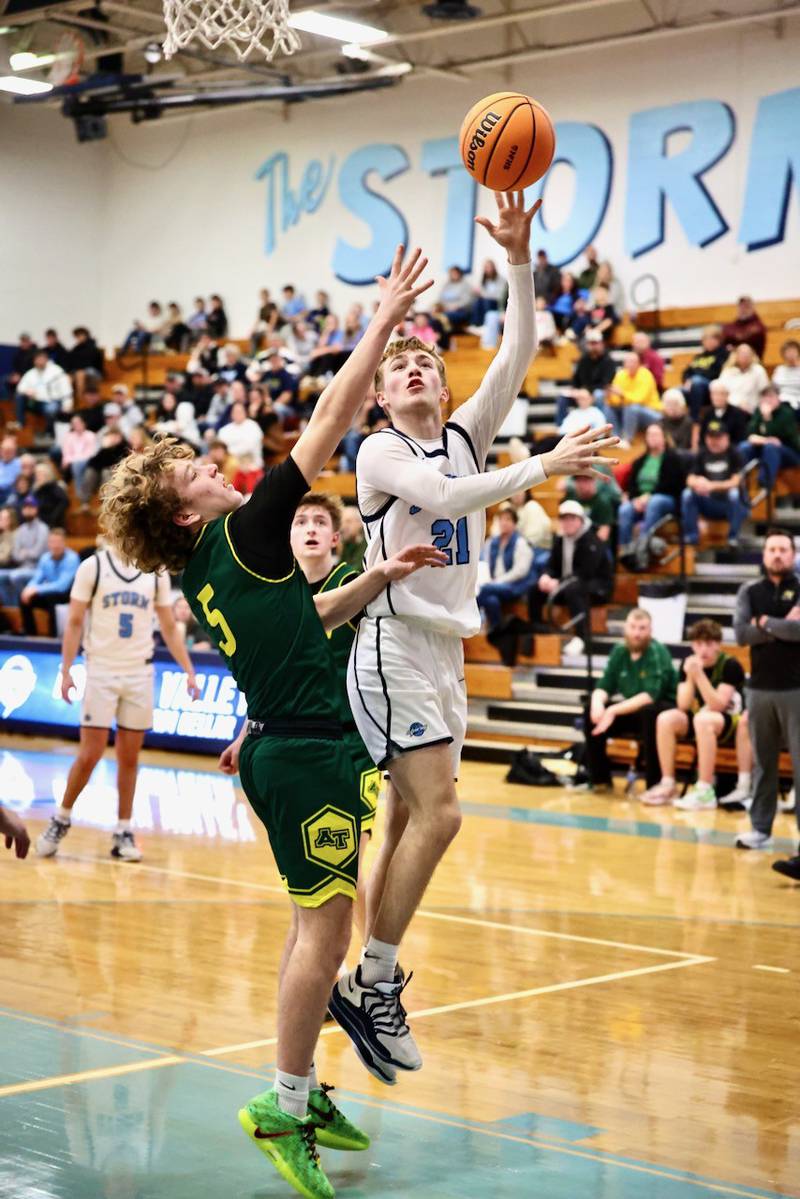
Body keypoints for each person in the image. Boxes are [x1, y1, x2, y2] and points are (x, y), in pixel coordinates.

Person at [99, 246, 440, 1199]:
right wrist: (382, 320)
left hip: (291, 745)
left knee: (314, 930)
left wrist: (371, 577)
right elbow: (333, 417)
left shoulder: (215, 567)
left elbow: (306, 622)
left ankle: (299, 1088)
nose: (206, 463)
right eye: (188, 468)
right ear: (178, 509)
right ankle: (283, 1106)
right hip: (302, 754)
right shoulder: (245, 535)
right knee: (325, 940)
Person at [329, 193, 618, 1087]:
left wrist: (521, 260)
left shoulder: (464, 430)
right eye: (400, 364)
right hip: (390, 641)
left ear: (444, 387)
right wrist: (543, 465)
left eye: (425, 362)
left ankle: (359, 981)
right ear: (380, 391)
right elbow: (453, 500)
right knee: (444, 814)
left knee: (409, 822)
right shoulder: (380, 453)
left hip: (445, 650)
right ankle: (374, 982)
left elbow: (520, 349)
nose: (414, 368)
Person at [36, 546, 200, 863]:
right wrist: (66, 670)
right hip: (101, 671)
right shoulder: (93, 567)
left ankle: (123, 830)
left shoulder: (156, 572)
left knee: (129, 757)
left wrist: (189, 671)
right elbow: (73, 622)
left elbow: (168, 626)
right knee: (90, 754)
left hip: (139, 672)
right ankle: (61, 817)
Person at [287, 492, 384, 937]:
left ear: (335, 537)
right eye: (300, 521)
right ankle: (330, 971)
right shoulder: (279, 594)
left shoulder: (353, 581)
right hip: (301, 746)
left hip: (353, 744)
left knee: (350, 864)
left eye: (319, 522)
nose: (309, 528)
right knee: (312, 878)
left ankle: (373, 969)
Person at [733, 528, 800, 878]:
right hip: (758, 690)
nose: (777, 554)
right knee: (763, 764)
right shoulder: (750, 591)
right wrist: (780, 625)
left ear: (792, 554)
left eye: (783, 549)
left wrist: (764, 624)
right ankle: (760, 829)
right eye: (772, 548)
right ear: (764, 554)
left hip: (796, 690)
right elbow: (741, 634)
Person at [641, 619, 746, 809]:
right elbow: (683, 704)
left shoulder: (730, 665)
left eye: (709, 643)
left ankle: (704, 789)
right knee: (666, 718)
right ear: (692, 645)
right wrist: (690, 676)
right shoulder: (688, 664)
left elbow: (718, 705)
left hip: (731, 721)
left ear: (718, 645)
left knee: (703, 719)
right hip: (700, 718)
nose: (703, 649)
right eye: (698, 644)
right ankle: (668, 783)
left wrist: (699, 675)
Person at [583, 608, 678, 792]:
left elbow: (650, 696)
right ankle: (599, 780)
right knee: (590, 712)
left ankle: (655, 784)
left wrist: (612, 710)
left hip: (662, 710)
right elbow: (605, 684)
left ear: (650, 631)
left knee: (650, 713)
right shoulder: (619, 651)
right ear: (625, 628)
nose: (637, 633)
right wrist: (597, 703)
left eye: (642, 628)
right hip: (633, 712)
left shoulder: (657, 652)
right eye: (633, 627)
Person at [528, 499, 612, 656]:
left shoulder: (592, 541)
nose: (568, 523)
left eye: (572, 518)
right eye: (564, 519)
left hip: (596, 587)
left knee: (575, 589)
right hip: (567, 586)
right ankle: (538, 629)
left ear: (580, 520)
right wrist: (546, 576)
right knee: (535, 588)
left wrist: (558, 583)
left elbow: (585, 573)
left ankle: (582, 637)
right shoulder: (560, 540)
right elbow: (552, 565)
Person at [616, 423, 685, 554]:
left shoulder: (673, 459)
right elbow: (632, 485)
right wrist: (635, 499)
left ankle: (642, 548)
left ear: (664, 438)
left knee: (655, 502)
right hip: (641, 500)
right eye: (649, 435)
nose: (652, 438)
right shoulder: (640, 461)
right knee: (625, 509)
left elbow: (673, 485)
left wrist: (649, 497)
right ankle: (625, 551)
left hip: (665, 499)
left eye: (655, 434)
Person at [681, 422, 748, 547]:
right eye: (711, 437)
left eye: (718, 437)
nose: (714, 441)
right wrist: (698, 483)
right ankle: (691, 537)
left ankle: (733, 537)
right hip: (708, 502)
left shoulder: (735, 454)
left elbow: (735, 482)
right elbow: (689, 479)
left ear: (726, 438)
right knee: (687, 493)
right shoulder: (701, 454)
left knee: (734, 493)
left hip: (728, 504)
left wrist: (711, 486)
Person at [477, 503, 536, 632]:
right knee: (491, 600)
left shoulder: (521, 543)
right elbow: (483, 563)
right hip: (493, 585)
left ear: (515, 523)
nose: (504, 523)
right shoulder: (491, 542)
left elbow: (520, 572)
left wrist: (498, 582)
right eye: (502, 519)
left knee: (484, 590)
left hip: (515, 585)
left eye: (508, 519)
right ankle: (498, 631)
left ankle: (472, 617)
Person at [737, 384, 800, 491]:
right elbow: (751, 433)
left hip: (790, 452)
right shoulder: (759, 411)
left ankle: (764, 485)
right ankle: (739, 479)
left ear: (778, 398)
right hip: (764, 448)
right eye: (765, 397)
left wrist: (767, 418)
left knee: (770, 448)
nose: (767, 400)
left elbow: (777, 438)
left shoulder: (786, 413)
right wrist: (764, 440)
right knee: (744, 446)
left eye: (771, 397)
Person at [19, 527, 79, 636]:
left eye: (58, 542)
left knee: (52, 599)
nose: (55, 545)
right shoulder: (45, 558)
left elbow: (62, 586)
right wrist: (28, 588)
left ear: (64, 543)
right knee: (24, 598)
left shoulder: (72, 558)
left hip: (67, 594)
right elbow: (37, 578)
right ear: (48, 544)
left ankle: (53, 637)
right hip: (49, 592)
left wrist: (36, 589)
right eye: (52, 542)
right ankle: (30, 635)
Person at [555, 329, 616, 426]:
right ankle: (561, 427)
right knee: (563, 397)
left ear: (601, 344)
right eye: (591, 343)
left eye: (595, 343)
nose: (593, 346)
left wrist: (586, 392)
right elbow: (576, 379)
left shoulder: (609, 361)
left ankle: (601, 426)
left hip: (596, 392)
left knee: (599, 395)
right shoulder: (583, 360)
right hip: (582, 392)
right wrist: (575, 390)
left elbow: (605, 383)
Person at [0, 496, 49, 606]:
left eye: (31, 507)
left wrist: (24, 552)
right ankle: (12, 607)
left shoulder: (43, 528)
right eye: (26, 508)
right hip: (22, 567)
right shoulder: (21, 530)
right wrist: (26, 553)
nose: (28, 510)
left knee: (15, 576)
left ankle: (23, 606)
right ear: (22, 510)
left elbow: (38, 553)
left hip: (37, 568)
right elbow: (16, 555)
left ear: (36, 509)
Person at [608, 351, 661, 442]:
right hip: (628, 411)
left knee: (631, 407)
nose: (630, 364)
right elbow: (614, 399)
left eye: (633, 362)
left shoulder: (645, 375)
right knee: (608, 407)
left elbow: (640, 399)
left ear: (639, 364)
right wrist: (610, 396)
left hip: (652, 412)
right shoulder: (620, 375)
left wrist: (622, 395)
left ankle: (627, 439)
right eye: (628, 362)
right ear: (624, 363)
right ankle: (615, 439)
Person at [15, 348, 73, 430]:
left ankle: (49, 431)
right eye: (37, 359)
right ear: (34, 361)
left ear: (46, 359)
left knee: (50, 409)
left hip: (52, 401)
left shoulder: (57, 371)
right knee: (19, 396)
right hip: (35, 402)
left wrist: (67, 404)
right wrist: (26, 391)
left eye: (42, 359)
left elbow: (66, 389)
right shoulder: (31, 373)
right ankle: (20, 424)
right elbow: (20, 388)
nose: (39, 362)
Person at [682, 325, 727, 418]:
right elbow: (686, 372)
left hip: (710, 388)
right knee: (674, 392)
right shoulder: (699, 357)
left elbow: (716, 373)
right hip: (693, 386)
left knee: (697, 381)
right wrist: (687, 380)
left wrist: (694, 378)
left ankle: (693, 418)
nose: (708, 342)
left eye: (711, 339)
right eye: (706, 339)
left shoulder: (723, 355)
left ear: (719, 340)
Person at [692, 378, 749, 451]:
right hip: (709, 453)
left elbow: (741, 438)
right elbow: (702, 439)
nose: (717, 397)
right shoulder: (707, 414)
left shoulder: (737, 414)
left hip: (731, 452)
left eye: (721, 394)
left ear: (727, 395)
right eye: (714, 394)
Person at [565, 473, 618, 543]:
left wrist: (589, 547)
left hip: (595, 545)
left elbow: (604, 532)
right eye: (578, 480)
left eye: (585, 480)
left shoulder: (602, 502)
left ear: (593, 481)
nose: (581, 484)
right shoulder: (571, 500)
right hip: (574, 542)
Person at [718, 344, 769, 414]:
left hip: (751, 409)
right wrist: (736, 404)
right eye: (742, 353)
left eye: (748, 353)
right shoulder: (727, 371)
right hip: (730, 409)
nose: (745, 356)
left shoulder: (758, 370)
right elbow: (720, 391)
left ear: (753, 356)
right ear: (736, 355)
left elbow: (765, 392)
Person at [722, 295, 767, 360]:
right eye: (741, 306)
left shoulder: (758, 326)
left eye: (747, 306)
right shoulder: (732, 325)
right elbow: (725, 335)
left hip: (753, 361)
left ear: (752, 308)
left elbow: (752, 338)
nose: (743, 309)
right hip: (734, 361)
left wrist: (735, 347)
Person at [438, 265, 473, 329]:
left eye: (455, 273)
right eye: (451, 273)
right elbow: (441, 298)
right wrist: (444, 307)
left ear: (460, 274)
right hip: (446, 310)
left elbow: (467, 301)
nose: (453, 275)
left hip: (460, 311)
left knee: (444, 318)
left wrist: (456, 306)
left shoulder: (465, 285)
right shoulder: (447, 285)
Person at [772, 339, 800, 411]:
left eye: (793, 351)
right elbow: (774, 388)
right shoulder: (779, 370)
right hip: (782, 401)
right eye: (788, 351)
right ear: (783, 354)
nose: (791, 354)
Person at [339, 504, 366, 571]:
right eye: (341, 522)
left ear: (360, 523)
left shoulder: (367, 542)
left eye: (348, 521)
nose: (343, 526)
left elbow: (358, 570)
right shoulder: (347, 543)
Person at [0, 435, 21, 504]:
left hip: (11, 494)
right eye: (4, 450)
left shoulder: (20, 464)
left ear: (15, 451)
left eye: (9, 451)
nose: (6, 453)